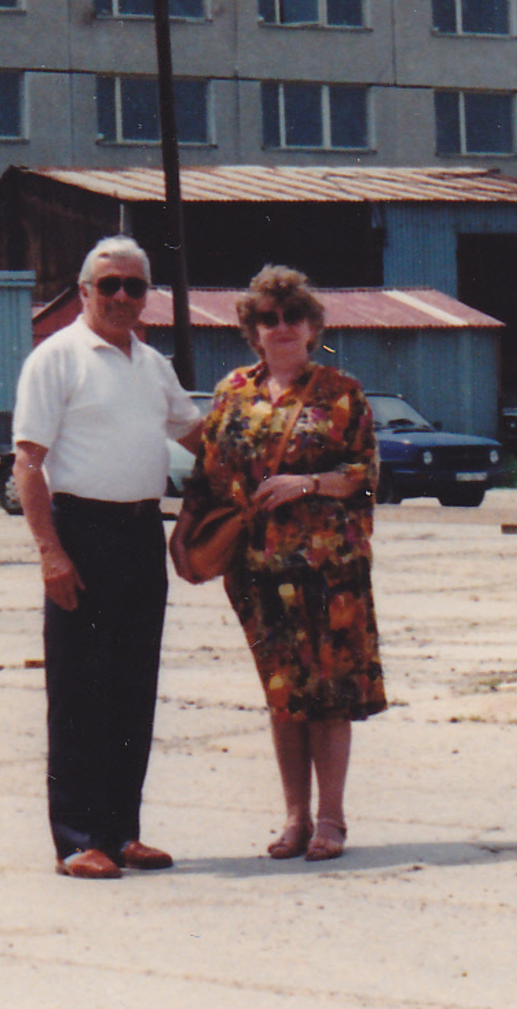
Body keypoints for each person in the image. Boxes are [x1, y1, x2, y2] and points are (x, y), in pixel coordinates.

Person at [174, 265, 385, 862]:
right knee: (283, 692)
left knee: (330, 691)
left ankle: (331, 820)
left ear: (313, 327)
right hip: (257, 569)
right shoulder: (232, 393)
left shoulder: (342, 393)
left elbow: (366, 475)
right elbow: (206, 474)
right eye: (269, 318)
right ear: (254, 330)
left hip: (329, 568)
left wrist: (308, 483)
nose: (282, 327)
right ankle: (295, 818)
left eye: (294, 316)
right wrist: (186, 536)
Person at [12, 237, 205, 880]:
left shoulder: (152, 366)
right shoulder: (56, 358)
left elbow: (199, 436)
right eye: (109, 284)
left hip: (141, 534)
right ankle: (75, 840)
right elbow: (28, 463)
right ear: (83, 291)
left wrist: (266, 447)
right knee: (78, 692)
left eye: (134, 285)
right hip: (80, 534)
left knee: (132, 688)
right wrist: (50, 552)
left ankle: (121, 834)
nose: (122, 296)